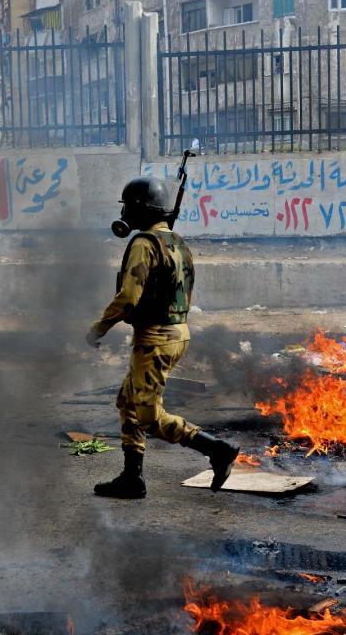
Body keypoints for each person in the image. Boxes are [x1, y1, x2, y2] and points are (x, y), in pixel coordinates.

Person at [87, 176, 239, 499]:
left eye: (129, 206)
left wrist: (98, 328)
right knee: (127, 401)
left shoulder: (144, 244)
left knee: (148, 416)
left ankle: (216, 449)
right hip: (176, 332)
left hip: (155, 337)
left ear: (141, 209)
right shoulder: (178, 243)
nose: (126, 212)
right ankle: (132, 477)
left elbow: (128, 297)